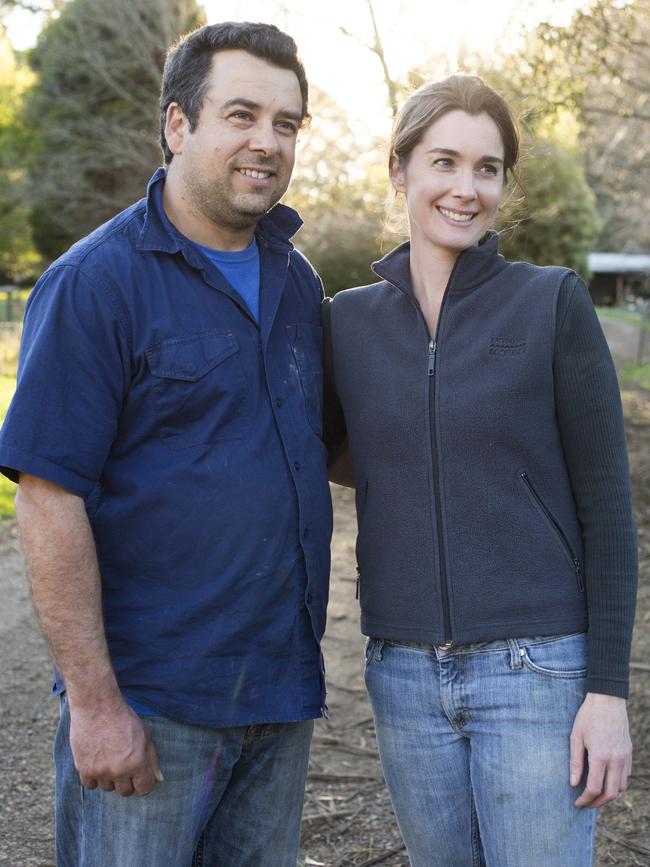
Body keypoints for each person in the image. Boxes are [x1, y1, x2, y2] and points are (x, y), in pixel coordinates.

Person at [0, 21, 332, 867]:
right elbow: (47, 497)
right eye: (243, 114)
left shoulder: (297, 283)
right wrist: (96, 703)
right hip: (152, 707)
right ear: (178, 125)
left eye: (287, 123)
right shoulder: (94, 284)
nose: (267, 142)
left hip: (279, 694)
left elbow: (326, 448)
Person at [323, 74, 637, 867]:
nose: (466, 189)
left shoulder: (550, 303)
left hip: (535, 668)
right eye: (444, 162)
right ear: (400, 172)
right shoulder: (347, 322)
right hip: (400, 671)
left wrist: (608, 692)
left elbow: (607, 509)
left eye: (488, 168)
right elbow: (322, 451)